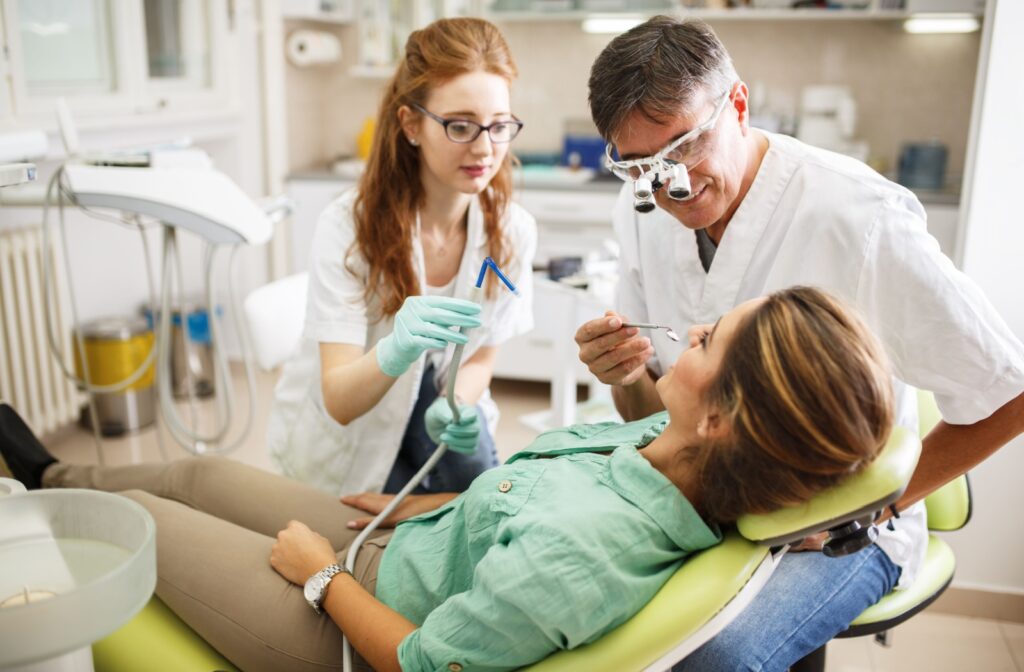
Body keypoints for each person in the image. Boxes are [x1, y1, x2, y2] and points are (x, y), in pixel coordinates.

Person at [5, 287, 894, 672]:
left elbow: (430, 665)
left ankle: (46, 503)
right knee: (198, 470)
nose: (689, 333)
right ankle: (48, 468)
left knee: (141, 519)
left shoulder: (588, 555)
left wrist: (320, 572)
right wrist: (458, 499)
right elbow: (545, 492)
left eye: (706, 342)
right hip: (416, 541)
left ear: (724, 421)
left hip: (350, 633)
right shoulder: (674, 438)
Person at [575, 16, 1024, 671]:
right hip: (707, 499)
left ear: (737, 104)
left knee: (719, 656)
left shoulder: (858, 220)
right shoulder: (643, 207)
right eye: (640, 164)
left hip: (846, 526)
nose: (672, 183)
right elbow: (650, 414)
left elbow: (1009, 395)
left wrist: (864, 512)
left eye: (688, 145)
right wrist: (624, 375)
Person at [268, 17, 537, 497]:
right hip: (357, 427)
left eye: (499, 126)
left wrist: (455, 401)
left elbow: (483, 354)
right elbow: (340, 401)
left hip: (433, 407)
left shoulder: (513, 230)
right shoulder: (348, 227)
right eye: (460, 125)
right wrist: (394, 351)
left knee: (482, 503)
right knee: (382, 535)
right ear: (411, 123)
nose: (484, 148)